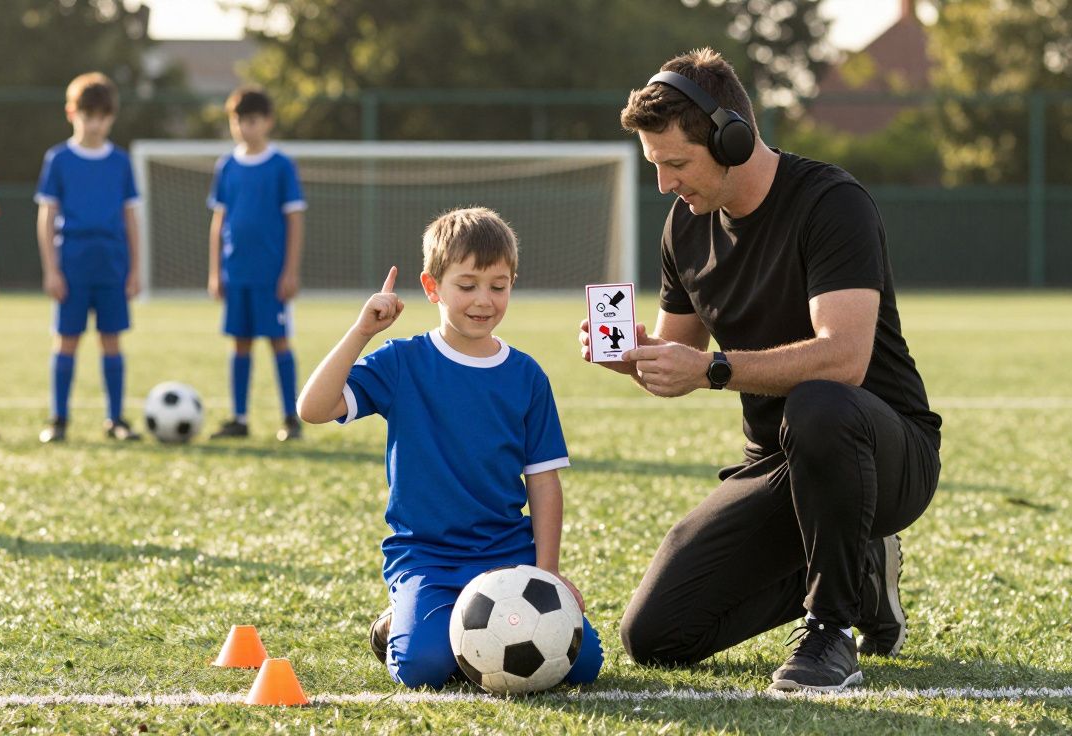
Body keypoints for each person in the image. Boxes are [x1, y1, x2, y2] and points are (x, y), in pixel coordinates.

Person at [581, 48, 942, 692]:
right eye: (655, 166)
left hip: (883, 451)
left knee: (819, 402)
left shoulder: (833, 202)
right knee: (655, 635)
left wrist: (712, 368)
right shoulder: (683, 227)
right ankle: (855, 567)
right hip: (777, 461)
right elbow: (680, 354)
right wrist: (633, 357)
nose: (664, 184)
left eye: (676, 164)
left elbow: (845, 358)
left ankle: (830, 629)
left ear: (734, 139)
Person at [298, 207, 603, 689]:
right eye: (467, 285)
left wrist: (547, 575)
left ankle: (458, 625)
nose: (484, 300)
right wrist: (362, 332)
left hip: (508, 552)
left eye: (498, 286)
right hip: (428, 556)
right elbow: (312, 408)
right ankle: (397, 623)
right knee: (423, 668)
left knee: (582, 666)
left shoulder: (526, 375)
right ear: (432, 286)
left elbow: (543, 481)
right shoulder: (402, 362)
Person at [35, 72, 143, 443]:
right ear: (72, 113)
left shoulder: (120, 161)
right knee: (67, 339)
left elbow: (131, 218)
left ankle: (115, 419)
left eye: (102, 115)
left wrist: (135, 269)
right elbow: (47, 216)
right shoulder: (59, 159)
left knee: (111, 340)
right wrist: (51, 269)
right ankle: (59, 418)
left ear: (111, 116)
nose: (95, 123)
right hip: (73, 263)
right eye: (87, 115)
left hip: (112, 263)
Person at [205, 86, 307, 442]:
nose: (244, 128)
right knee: (240, 342)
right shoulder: (227, 165)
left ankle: (291, 418)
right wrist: (216, 271)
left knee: (279, 341)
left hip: (271, 275)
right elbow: (219, 220)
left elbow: (294, 220)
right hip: (237, 274)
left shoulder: (281, 166)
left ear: (267, 122)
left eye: (251, 121)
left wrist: (290, 271)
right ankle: (240, 417)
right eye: (238, 121)